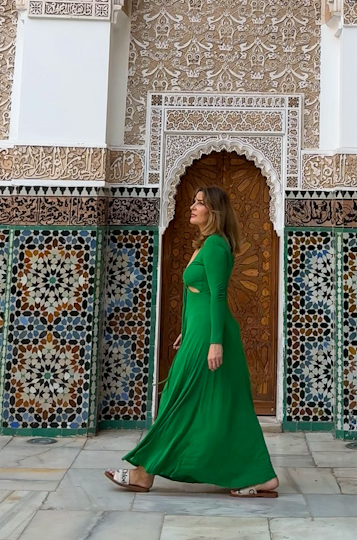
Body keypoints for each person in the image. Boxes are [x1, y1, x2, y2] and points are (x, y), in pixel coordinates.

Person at [105, 185, 279, 498]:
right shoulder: (206, 245)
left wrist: (215, 342)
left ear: (214, 211)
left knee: (178, 399)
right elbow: (196, 296)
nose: (192, 207)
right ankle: (259, 476)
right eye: (194, 201)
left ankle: (144, 473)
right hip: (199, 332)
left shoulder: (215, 247)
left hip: (211, 336)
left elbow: (218, 296)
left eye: (199, 203)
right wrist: (187, 329)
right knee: (222, 406)